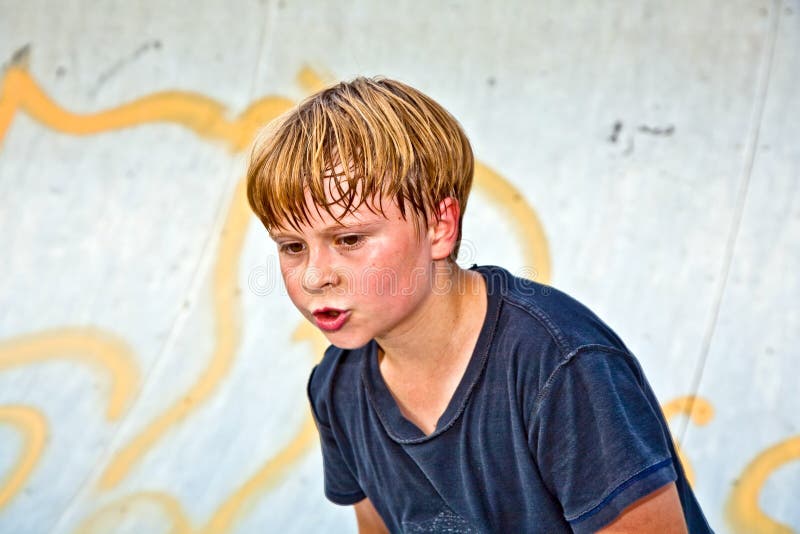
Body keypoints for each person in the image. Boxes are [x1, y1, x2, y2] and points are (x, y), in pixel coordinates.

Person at [246, 77, 712, 533]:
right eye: (291, 246)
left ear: (439, 226)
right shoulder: (337, 386)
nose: (314, 275)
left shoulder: (560, 365)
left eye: (348, 239)